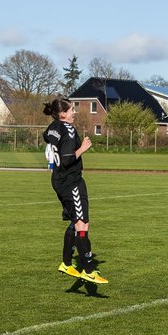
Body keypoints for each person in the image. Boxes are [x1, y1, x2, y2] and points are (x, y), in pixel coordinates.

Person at [43, 98, 108, 285]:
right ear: (63, 114)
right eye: (71, 109)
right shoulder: (68, 129)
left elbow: (46, 137)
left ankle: (66, 263)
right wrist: (83, 148)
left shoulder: (53, 127)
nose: (74, 112)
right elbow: (67, 159)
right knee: (82, 225)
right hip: (71, 181)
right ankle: (88, 270)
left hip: (59, 180)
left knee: (74, 222)